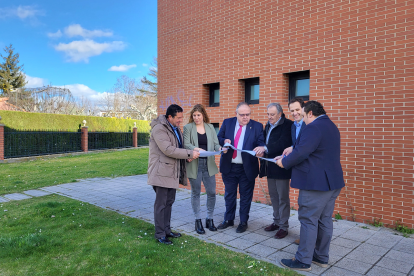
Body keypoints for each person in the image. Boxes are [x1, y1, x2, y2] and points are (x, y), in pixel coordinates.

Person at [276, 101, 345, 271]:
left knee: (308, 220)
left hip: (316, 184)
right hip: (332, 182)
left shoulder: (313, 127)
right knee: (324, 220)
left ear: (311, 113)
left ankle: (303, 260)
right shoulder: (330, 125)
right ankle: (321, 257)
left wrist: (283, 163)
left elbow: (302, 152)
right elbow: (314, 149)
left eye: (304, 115)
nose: (303, 119)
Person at [148, 104, 200, 245]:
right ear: (169, 117)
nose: (180, 120)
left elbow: (179, 148)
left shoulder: (174, 128)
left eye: (181, 118)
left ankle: (166, 230)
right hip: (161, 173)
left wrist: (186, 156)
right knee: (161, 204)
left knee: (169, 202)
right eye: (178, 118)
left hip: (171, 172)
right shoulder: (159, 129)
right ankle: (160, 234)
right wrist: (189, 153)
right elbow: (168, 150)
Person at [216, 102, 265, 233]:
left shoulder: (257, 126)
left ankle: (243, 221)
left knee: (245, 196)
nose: (245, 117)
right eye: (242, 114)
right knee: (229, 195)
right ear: (236, 114)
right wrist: (224, 142)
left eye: (247, 114)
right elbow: (219, 137)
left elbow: (261, 142)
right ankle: (228, 219)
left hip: (247, 168)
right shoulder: (227, 122)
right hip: (229, 166)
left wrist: (262, 148)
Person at [183, 104, 223, 234]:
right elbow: (186, 144)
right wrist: (196, 148)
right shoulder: (188, 127)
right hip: (194, 163)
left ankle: (209, 219)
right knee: (196, 192)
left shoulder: (210, 127)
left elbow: (216, 143)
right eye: (194, 115)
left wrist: (219, 149)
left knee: (211, 192)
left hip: (209, 164)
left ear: (203, 115)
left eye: (198, 115)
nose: (196, 118)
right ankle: (197, 220)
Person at [258, 103, 293, 239]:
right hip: (269, 166)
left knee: (283, 198)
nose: (269, 117)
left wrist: (265, 149)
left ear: (280, 113)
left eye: (272, 114)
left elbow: (283, 143)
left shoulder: (287, 125)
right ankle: (276, 222)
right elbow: (263, 142)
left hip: (281, 167)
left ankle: (284, 227)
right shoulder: (267, 125)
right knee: (273, 196)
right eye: (268, 114)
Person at [283, 97, 306, 245]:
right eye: (292, 111)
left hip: (309, 169)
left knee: (307, 205)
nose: (295, 113)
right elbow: (295, 146)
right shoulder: (293, 126)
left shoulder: (310, 125)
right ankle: (306, 236)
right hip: (299, 168)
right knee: (303, 204)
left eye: (297, 110)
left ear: (304, 109)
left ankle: (308, 238)